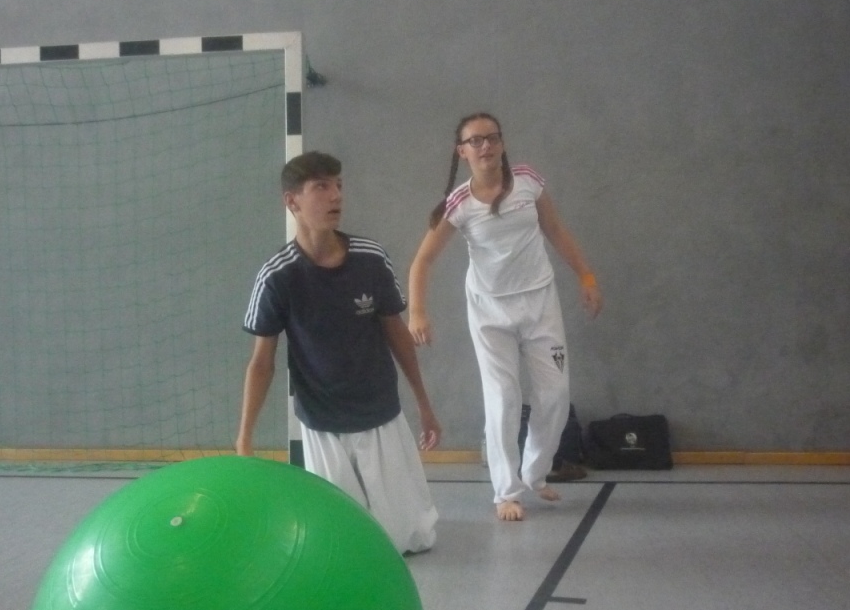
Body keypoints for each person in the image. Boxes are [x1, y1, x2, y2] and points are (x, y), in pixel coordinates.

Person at [235, 151, 440, 554]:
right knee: (342, 544)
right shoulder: (277, 276)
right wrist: (245, 437)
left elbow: (397, 334)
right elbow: (262, 363)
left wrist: (424, 404)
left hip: (379, 412)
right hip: (322, 421)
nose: (336, 196)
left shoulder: (370, 258)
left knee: (407, 540)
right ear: (292, 201)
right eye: (321, 187)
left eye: (339, 186)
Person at [408, 113, 602, 522]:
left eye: (492, 138)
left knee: (555, 395)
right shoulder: (458, 204)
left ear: (502, 143)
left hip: (540, 303)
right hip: (489, 311)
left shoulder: (528, 181)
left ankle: (534, 473)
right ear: (462, 152)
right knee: (503, 398)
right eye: (475, 141)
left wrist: (586, 276)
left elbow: (555, 229)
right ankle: (505, 492)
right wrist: (418, 312)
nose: (485, 146)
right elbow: (422, 261)